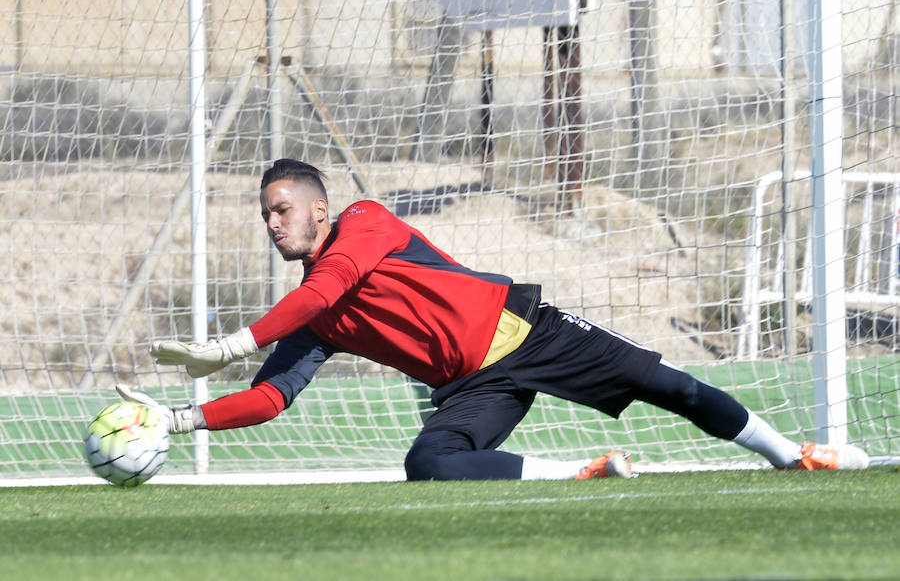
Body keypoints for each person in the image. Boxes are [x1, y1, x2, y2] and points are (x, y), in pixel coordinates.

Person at [117, 158, 870, 480]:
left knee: (669, 385)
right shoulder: (312, 312)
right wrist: (181, 421)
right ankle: (577, 473)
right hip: (474, 386)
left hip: (529, 330)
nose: (273, 224)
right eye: (265, 216)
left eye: (281, 210)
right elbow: (272, 398)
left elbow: (327, 287)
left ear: (319, 207)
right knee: (427, 463)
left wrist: (232, 343)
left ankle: (791, 452)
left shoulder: (365, 222)